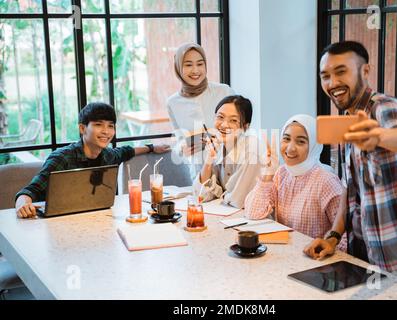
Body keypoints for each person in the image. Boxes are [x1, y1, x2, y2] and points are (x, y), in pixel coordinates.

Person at [303, 41, 397, 287]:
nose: (332, 83)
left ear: (365, 71)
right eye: (325, 76)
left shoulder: (385, 107)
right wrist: (332, 236)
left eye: (341, 72)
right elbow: (350, 188)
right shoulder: (350, 121)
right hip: (364, 253)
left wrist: (379, 137)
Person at [15, 102, 170, 219]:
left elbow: (126, 151)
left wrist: (151, 147)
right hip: (57, 224)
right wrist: (23, 205)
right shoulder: (62, 157)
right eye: (98, 125)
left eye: (111, 126)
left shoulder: (108, 155)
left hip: (96, 222)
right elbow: (29, 191)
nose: (106, 131)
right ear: (82, 129)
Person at [244, 114, 346, 250]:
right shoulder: (282, 173)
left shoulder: (326, 181)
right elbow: (253, 214)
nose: (290, 148)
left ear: (314, 146)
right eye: (286, 139)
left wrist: (325, 248)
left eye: (301, 142)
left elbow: (344, 236)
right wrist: (267, 175)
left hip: (315, 260)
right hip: (288, 256)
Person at [167, 42, 234, 179]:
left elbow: (242, 129)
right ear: (179, 68)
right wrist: (182, 149)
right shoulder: (172, 103)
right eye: (188, 64)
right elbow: (179, 139)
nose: (195, 70)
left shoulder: (224, 91)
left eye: (200, 64)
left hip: (230, 168)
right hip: (200, 173)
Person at [193, 95, 263, 209]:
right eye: (220, 117)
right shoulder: (219, 147)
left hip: (254, 220)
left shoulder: (252, 151)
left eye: (233, 120)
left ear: (245, 127)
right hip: (229, 216)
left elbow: (237, 201)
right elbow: (201, 195)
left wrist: (220, 194)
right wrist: (208, 160)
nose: (224, 125)